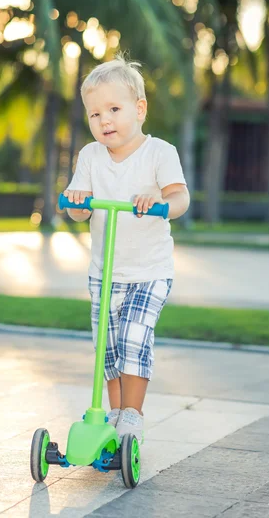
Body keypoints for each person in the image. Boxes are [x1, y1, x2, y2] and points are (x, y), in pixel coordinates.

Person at [63, 54, 190, 444]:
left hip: (149, 272)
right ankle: (114, 414)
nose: (104, 121)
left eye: (114, 110)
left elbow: (180, 198)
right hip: (104, 274)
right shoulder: (89, 156)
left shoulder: (159, 154)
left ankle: (133, 415)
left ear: (139, 109)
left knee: (135, 338)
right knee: (109, 348)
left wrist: (159, 196)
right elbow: (78, 214)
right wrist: (77, 201)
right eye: (94, 114)